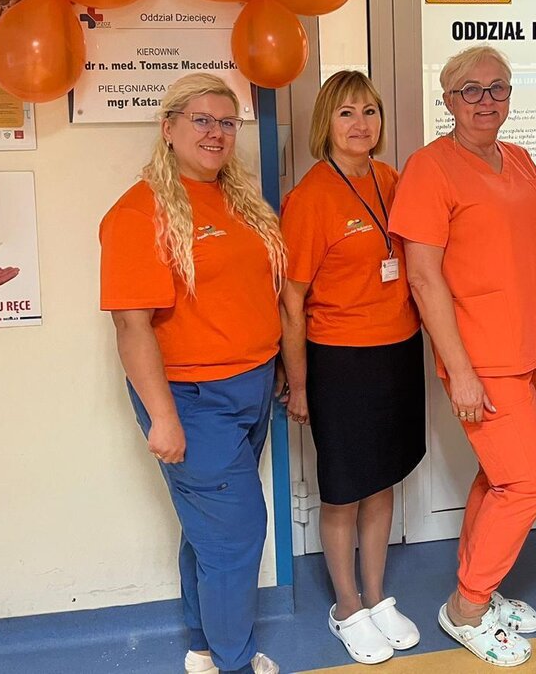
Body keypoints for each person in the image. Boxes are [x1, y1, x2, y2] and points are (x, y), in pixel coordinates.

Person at [99, 73, 285, 674]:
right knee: (236, 537)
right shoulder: (139, 212)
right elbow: (131, 327)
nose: (216, 133)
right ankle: (234, 662)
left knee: (210, 532)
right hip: (193, 399)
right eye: (201, 120)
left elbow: (251, 295)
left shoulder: (239, 199)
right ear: (169, 127)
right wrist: (163, 418)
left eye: (227, 122)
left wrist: (277, 365)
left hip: (252, 385)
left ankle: (204, 647)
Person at [389, 45, 536, 668]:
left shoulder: (520, 160)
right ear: (448, 100)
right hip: (483, 358)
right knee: (532, 481)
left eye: (497, 88)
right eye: (470, 90)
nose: (486, 101)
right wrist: (459, 370)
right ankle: (466, 608)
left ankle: (479, 588)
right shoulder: (429, 168)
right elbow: (423, 277)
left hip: (534, 350)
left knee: (501, 477)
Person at [278, 70, 425, 666]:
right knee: (342, 490)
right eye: (346, 113)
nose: (360, 123)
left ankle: (377, 595)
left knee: (382, 479)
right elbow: (291, 301)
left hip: (397, 351)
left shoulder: (391, 179)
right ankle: (346, 606)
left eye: (369, 111)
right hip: (339, 360)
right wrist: (300, 383)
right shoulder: (311, 197)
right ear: (326, 123)